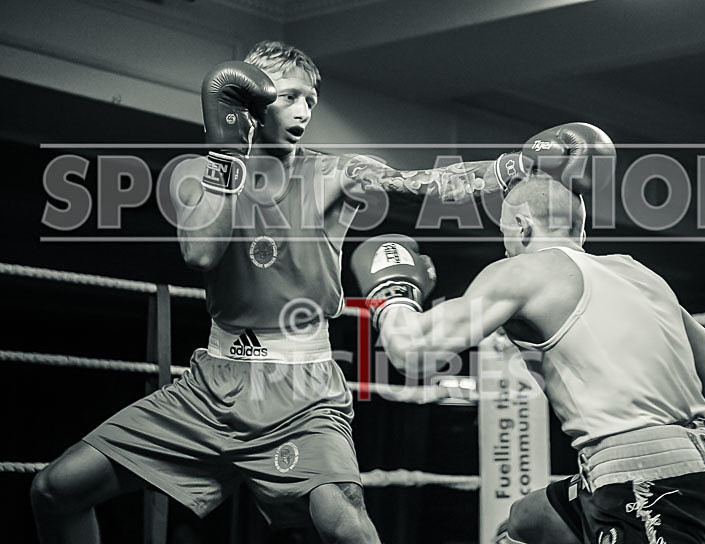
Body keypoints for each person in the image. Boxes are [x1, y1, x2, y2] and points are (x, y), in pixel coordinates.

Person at [28, 36, 612, 542]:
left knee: (346, 523)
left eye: (311, 97)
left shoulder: (334, 171)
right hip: (210, 383)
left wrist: (511, 167)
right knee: (54, 490)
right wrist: (230, 149)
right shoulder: (199, 172)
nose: (304, 108)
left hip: (300, 386)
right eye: (287, 96)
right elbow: (201, 252)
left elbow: (422, 186)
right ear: (250, 101)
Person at [350, 173, 705, 543]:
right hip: (697, 468)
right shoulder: (638, 272)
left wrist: (392, 292)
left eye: (505, 230)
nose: (505, 243)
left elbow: (412, 351)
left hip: (645, 483)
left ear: (522, 226)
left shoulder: (524, 271)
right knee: (525, 523)